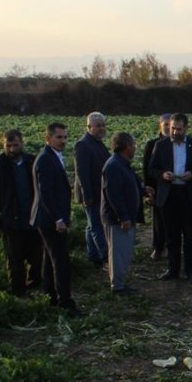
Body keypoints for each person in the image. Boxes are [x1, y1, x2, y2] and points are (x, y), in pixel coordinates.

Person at [148, 112, 192, 283]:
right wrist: (163, 175)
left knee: (190, 235)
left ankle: (191, 271)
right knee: (171, 235)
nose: (175, 132)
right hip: (169, 195)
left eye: (179, 129)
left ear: (186, 128)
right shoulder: (161, 146)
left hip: (188, 195)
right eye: (173, 128)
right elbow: (152, 168)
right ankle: (173, 269)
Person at [0, 128, 42, 296]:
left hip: (32, 217)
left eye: (15, 145)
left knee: (37, 256)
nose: (11, 149)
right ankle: (18, 292)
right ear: (3, 144)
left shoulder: (32, 161)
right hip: (11, 219)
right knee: (15, 260)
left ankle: (35, 286)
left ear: (22, 143)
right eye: (8, 146)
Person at [31, 121, 81, 316]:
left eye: (65, 137)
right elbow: (46, 193)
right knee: (61, 261)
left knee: (50, 258)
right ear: (48, 138)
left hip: (48, 218)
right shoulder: (45, 159)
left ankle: (50, 296)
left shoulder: (52, 156)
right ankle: (65, 303)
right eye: (59, 137)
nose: (63, 141)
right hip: (49, 219)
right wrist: (58, 218)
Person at [101, 131, 143, 295]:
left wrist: (143, 190)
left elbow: (129, 184)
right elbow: (114, 195)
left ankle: (119, 282)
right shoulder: (114, 166)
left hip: (124, 217)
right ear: (127, 147)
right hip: (117, 220)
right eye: (134, 145)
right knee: (118, 253)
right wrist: (123, 217)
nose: (135, 148)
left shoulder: (122, 163)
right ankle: (117, 286)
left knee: (122, 252)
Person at [74, 111, 110, 269]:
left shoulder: (97, 143)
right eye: (98, 126)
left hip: (98, 191)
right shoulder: (83, 144)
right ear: (89, 127)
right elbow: (81, 172)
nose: (101, 128)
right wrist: (87, 195)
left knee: (91, 226)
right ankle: (106, 258)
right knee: (96, 226)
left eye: (103, 125)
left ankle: (93, 257)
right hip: (91, 193)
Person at [141, 113, 171, 260]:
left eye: (170, 124)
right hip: (158, 188)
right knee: (158, 220)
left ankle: (171, 247)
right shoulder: (152, 145)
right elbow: (146, 169)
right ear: (160, 126)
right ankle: (158, 247)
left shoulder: (179, 143)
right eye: (165, 124)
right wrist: (148, 191)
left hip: (175, 188)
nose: (168, 127)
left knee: (173, 220)